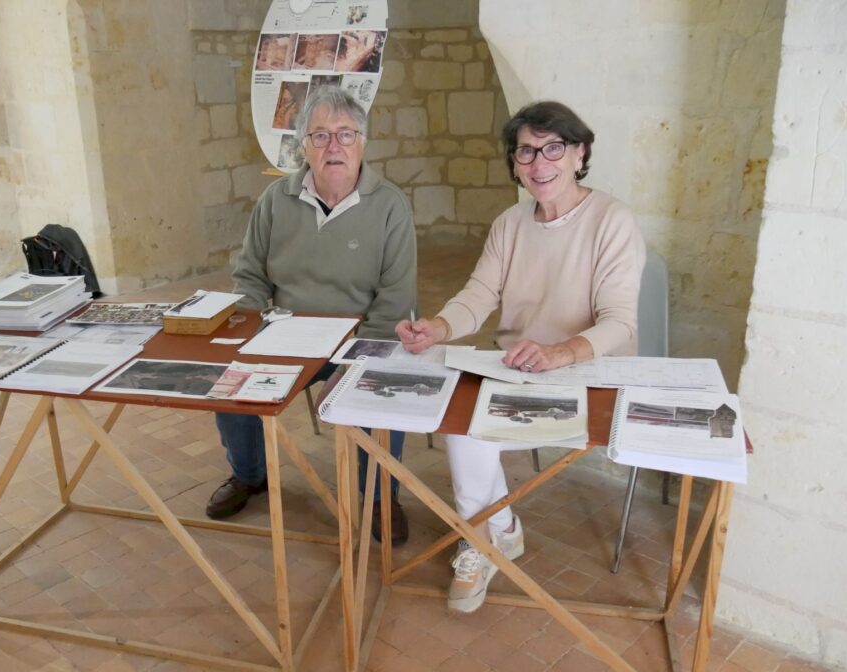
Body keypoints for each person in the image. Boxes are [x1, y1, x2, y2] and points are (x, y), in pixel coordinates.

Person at [396, 101, 646, 612]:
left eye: (553, 148)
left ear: (580, 154)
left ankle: (488, 534)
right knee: (458, 415)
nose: (539, 163)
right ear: (514, 162)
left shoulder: (612, 220)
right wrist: (437, 327)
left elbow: (620, 322)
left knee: (472, 426)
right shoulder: (510, 223)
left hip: (589, 374)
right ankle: (493, 531)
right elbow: (478, 296)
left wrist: (561, 352)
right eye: (526, 151)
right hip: (516, 368)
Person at [209, 86, 417, 545]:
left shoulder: (390, 205)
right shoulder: (275, 200)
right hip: (288, 333)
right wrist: (247, 334)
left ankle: (380, 496)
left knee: (379, 389)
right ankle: (249, 475)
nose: (333, 146)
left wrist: (356, 362)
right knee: (232, 383)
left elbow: (396, 298)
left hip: (360, 337)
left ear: (363, 142)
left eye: (345, 134)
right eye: (320, 135)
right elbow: (250, 277)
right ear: (304, 145)